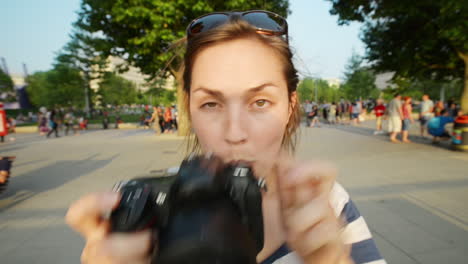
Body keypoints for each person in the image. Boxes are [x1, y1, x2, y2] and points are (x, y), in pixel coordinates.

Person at [66, 11, 385, 264]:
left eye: (260, 102)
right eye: (211, 104)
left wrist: (331, 260)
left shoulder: (327, 202)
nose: (235, 133)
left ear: (291, 106)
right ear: (189, 110)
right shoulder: (145, 213)